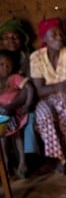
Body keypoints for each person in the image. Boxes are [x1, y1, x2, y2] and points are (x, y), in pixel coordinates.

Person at [30, 17, 66, 174]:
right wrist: (61, 85)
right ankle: (57, 158)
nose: (59, 37)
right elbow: (39, 90)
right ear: (44, 38)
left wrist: (55, 87)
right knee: (45, 116)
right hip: (46, 99)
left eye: (61, 34)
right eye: (54, 34)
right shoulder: (36, 57)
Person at [0, 18, 39, 168]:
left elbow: (29, 87)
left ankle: (28, 159)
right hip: (4, 106)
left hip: (22, 103)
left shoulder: (29, 57)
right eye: (6, 37)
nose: (11, 41)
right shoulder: (1, 57)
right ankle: (7, 163)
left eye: (15, 37)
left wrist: (11, 106)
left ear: (22, 39)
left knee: (29, 119)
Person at [0, 49, 34, 178]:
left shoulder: (14, 78)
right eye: (1, 64)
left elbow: (29, 87)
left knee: (17, 135)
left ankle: (22, 162)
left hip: (14, 113)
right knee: (3, 138)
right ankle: (7, 164)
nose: (5, 68)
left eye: (8, 65)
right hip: (2, 116)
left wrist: (27, 104)